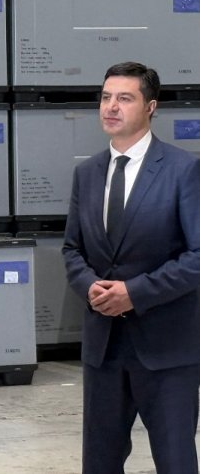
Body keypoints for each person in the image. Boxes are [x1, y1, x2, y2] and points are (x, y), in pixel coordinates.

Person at [63, 61, 200, 474]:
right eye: (106, 97)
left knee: (175, 461)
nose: (111, 107)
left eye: (124, 98)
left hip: (166, 350)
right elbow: (72, 249)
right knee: (100, 463)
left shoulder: (183, 170)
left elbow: (197, 256)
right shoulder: (86, 174)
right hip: (103, 350)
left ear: (150, 107)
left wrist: (134, 293)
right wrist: (90, 287)